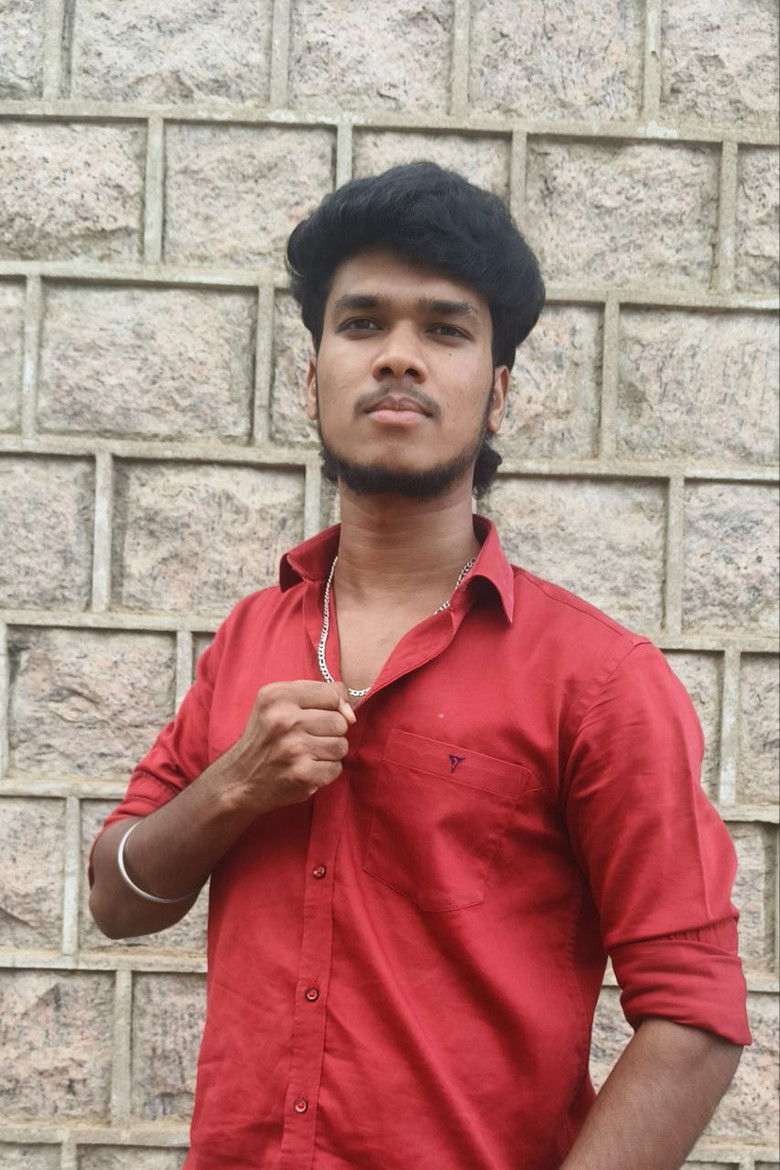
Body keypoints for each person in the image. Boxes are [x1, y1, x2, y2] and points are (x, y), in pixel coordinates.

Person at [89, 162, 750, 1170]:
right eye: (361, 323)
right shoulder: (248, 639)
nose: (398, 355)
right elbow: (118, 899)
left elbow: (695, 1015)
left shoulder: (599, 680)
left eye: (444, 329)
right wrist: (231, 788)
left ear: (499, 395)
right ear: (312, 380)